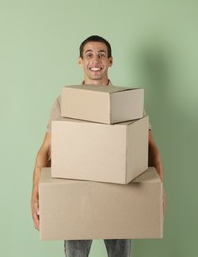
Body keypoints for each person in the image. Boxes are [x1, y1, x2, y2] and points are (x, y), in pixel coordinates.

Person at [31, 35, 164, 257]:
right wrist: (35, 195)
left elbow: (152, 150)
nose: (96, 60)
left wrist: (160, 194)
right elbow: (45, 151)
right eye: (89, 55)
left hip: (121, 193)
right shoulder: (64, 102)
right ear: (80, 61)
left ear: (110, 61)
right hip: (76, 195)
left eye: (102, 55)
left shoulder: (126, 101)